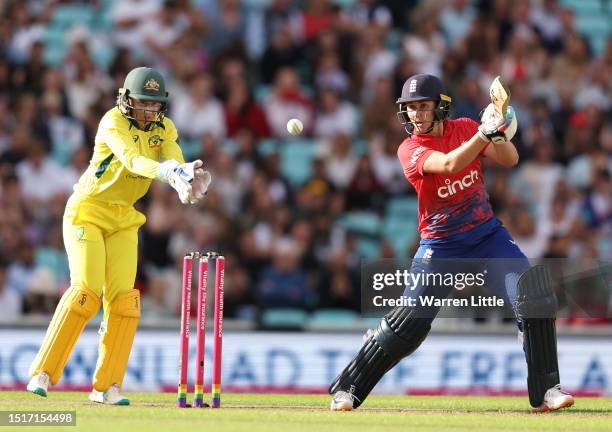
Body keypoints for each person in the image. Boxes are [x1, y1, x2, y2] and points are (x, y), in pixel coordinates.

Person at [328, 74, 575, 413]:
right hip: (441, 246)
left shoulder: (464, 128)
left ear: (440, 107)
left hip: (488, 237)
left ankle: (547, 391)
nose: (416, 114)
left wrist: (497, 131)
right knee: (409, 325)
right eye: (410, 108)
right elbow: (448, 164)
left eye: (423, 106)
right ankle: (349, 387)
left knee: (533, 297)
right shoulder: (409, 148)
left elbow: (510, 159)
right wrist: (483, 133)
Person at [26, 67, 211, 405]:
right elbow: (133, 160)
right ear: (126, 101)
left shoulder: (165, 128)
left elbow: (173, 157)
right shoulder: (112, 121)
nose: (148, 111)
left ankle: (107, 386)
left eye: (154, 105)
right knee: (86, 292)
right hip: (87, 211)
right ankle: (43, 372)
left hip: (124, 218)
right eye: (142, 103)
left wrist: (185, 176)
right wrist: (168, 172)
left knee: (125, 301)